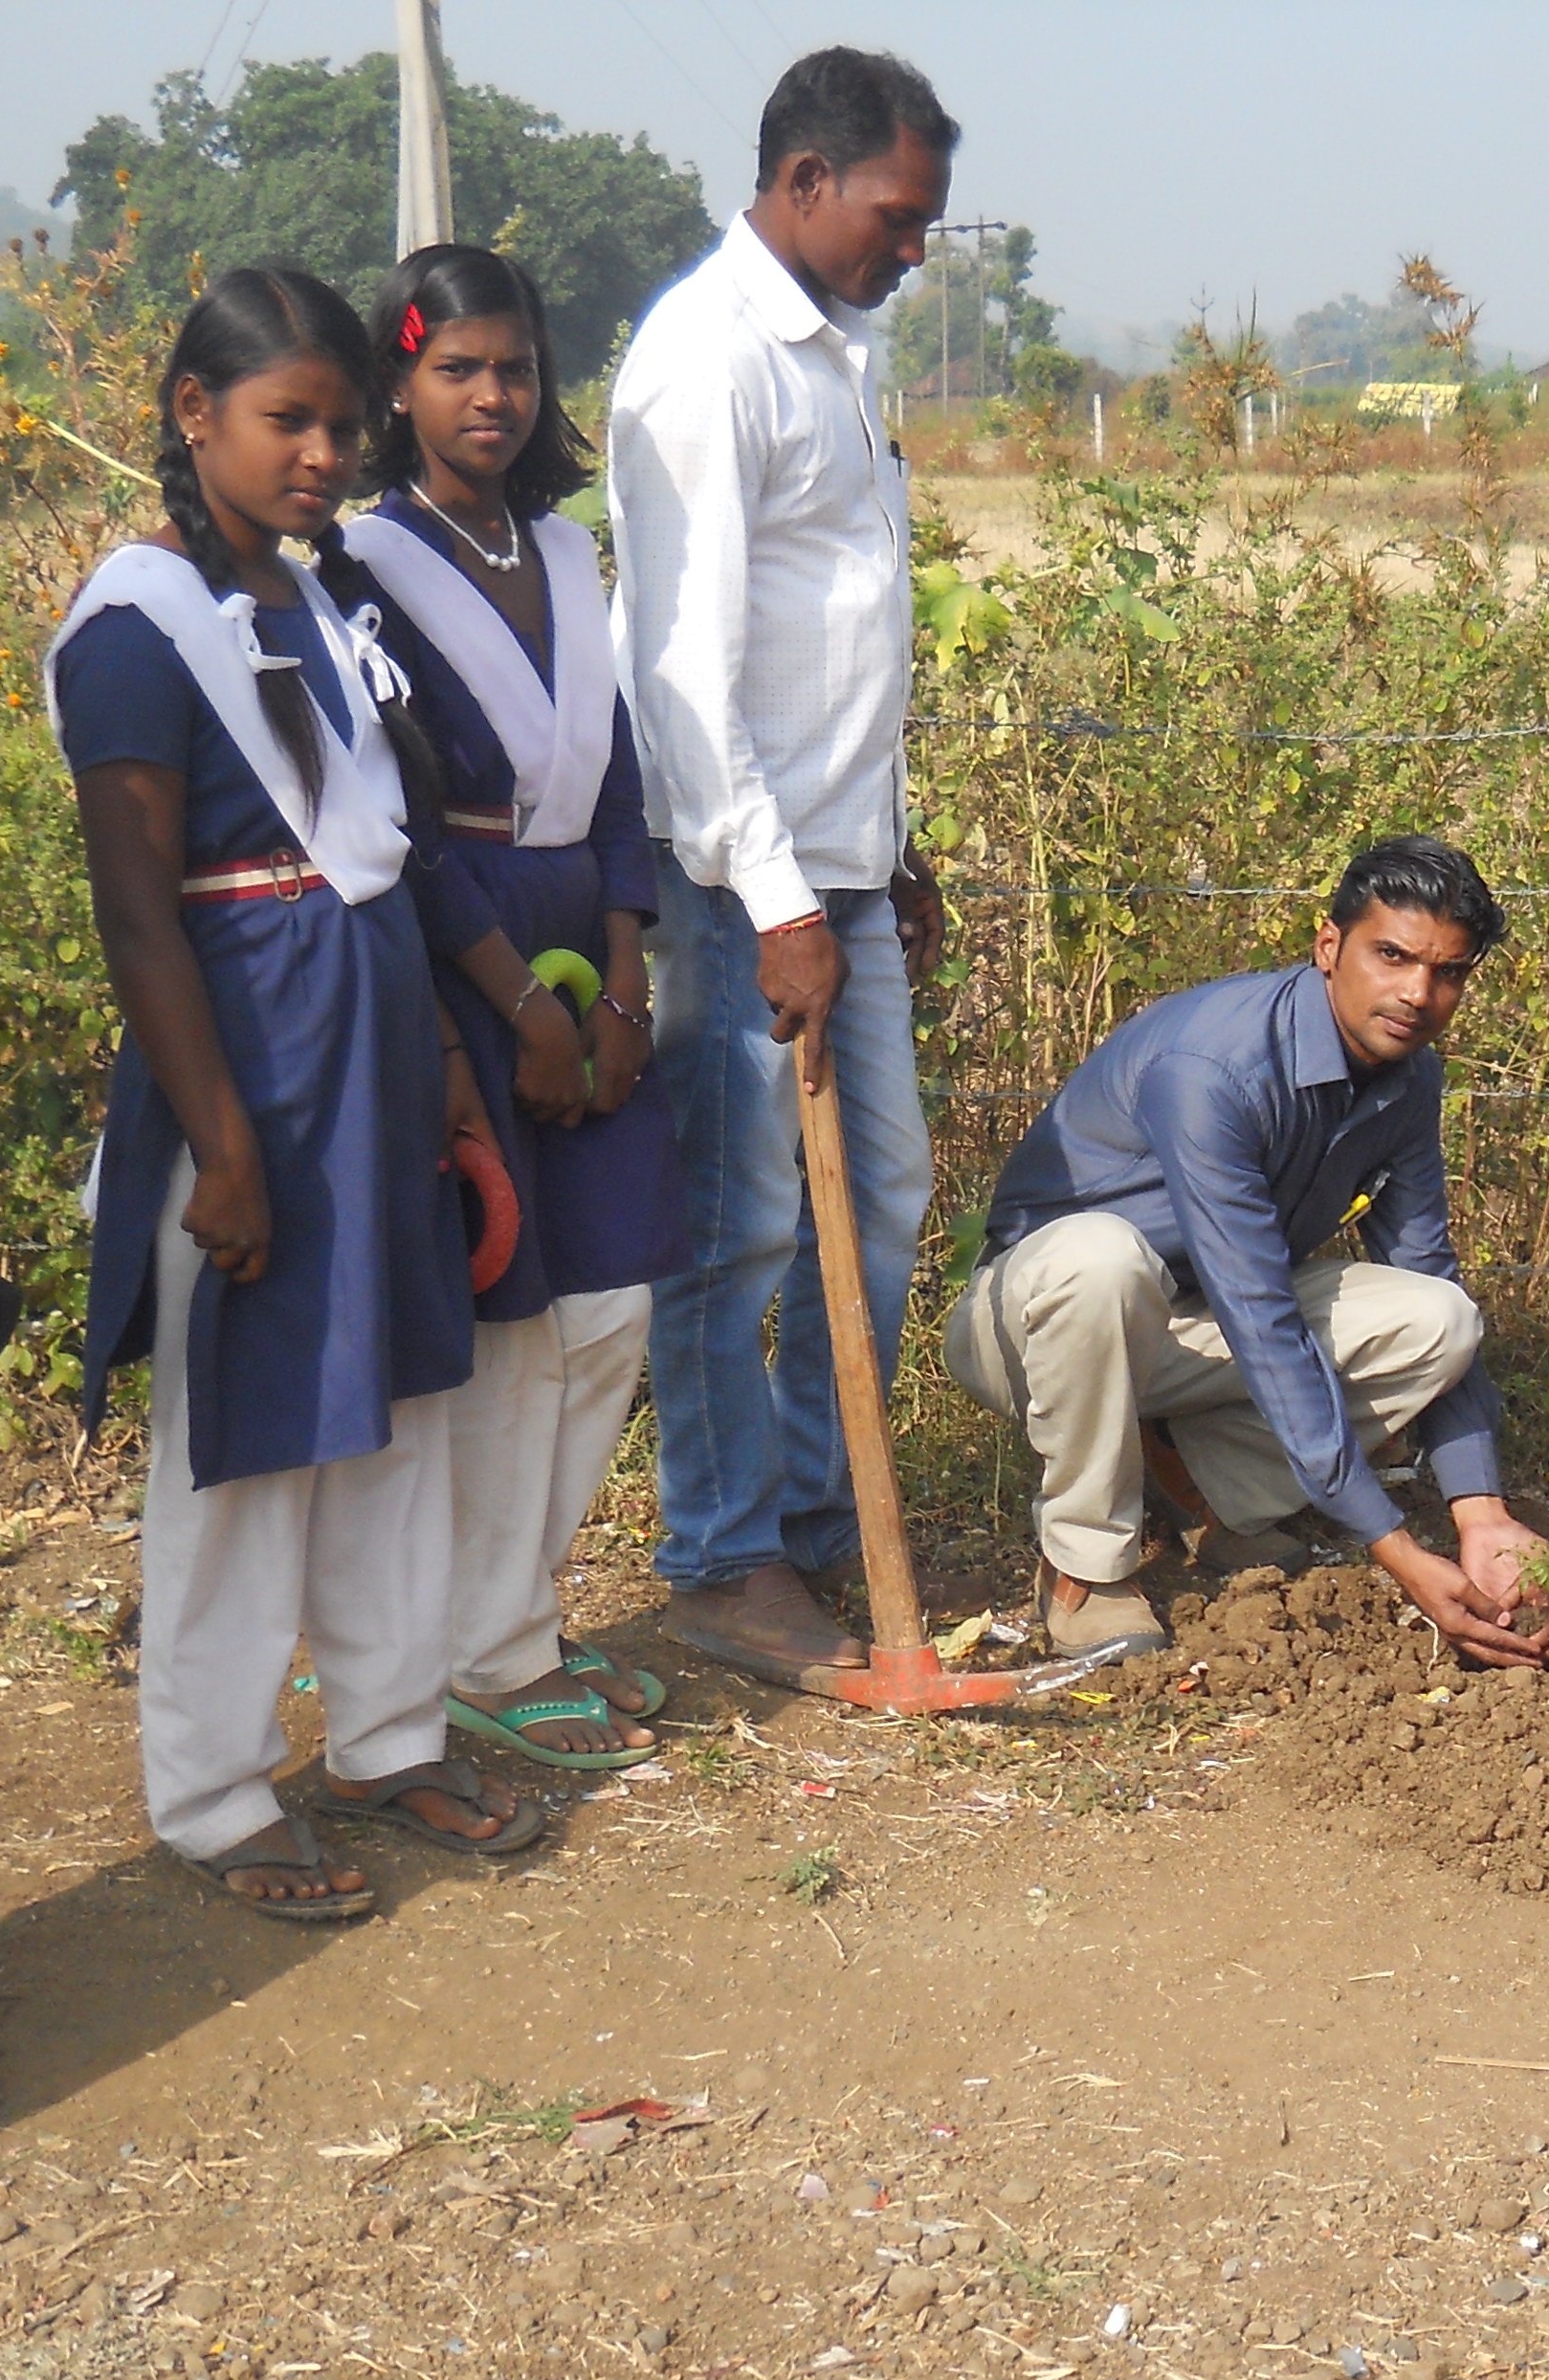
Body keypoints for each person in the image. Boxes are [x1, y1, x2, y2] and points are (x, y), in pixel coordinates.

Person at [55, 267, 542, 1919]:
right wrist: (222, 1145)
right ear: (195, 414)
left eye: (342, 422)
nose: (324, 452)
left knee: (397, 1412)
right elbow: (139, 908)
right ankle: (208, 1789)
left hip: (378, 1053)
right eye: (288, 420)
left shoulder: (324, 607)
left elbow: (382, 861)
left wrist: (454, 1096)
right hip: (249, 1060)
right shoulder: (139, 628)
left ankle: (391, 1733)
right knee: (249, 1442)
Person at [609, 46, 956, 1682]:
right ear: (805, 183)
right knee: (740, 1224)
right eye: (897, 216)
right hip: (744, 875)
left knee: (880, 1197)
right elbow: (682, 668)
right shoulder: (707, 356)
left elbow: (833, 635)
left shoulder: (840, 353)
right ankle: (723, 1551)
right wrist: (778, 896)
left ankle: (830, 1520)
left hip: (843, 864)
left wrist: (885, 851)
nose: (914, 248)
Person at [345, 244, 690, 1773]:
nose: (492, 395)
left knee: (609, 1307)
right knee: (506, 1325)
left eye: (515, 368)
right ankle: (485, 1648)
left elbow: (616, 779)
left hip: (585, 941)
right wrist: (518, 1008)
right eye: (455, 368)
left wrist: (623, 982)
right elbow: (399, 822)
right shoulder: (366, 563)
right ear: (398, 385)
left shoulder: (561, 551)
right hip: (466, 947)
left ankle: (521, 1616)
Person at [947, 837, 1545, 1667]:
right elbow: (1261, 1316)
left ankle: (1201, 1488)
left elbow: (1422, 1265)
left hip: (1187, 1330)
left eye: (1447, 973)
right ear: (1329, 946)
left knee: (1438, 1319)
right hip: (1032, 1326)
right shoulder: (1214, 1068)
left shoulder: (1409, 1082)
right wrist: (1397, 1548)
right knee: (1104, 1259)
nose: (1418, 993)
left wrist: (1481, 1510)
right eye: (1394, 956)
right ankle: (1084, 1566)